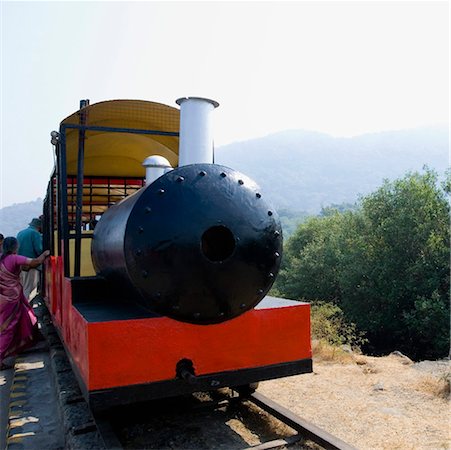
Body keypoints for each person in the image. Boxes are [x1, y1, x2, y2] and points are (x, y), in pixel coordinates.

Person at [0, 237, 50, 370]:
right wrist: (45, 254)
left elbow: (24, 268)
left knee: (27, 316)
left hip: (5, 297)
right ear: (15, 247)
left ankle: (31, 340)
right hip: (12, 298)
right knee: (8, 328)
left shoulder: (3, 259)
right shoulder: (13, 258)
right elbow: (35, 262)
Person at [17, 218, 43, 301]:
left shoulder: (20, 233)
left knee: (23, 288)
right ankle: (25, 311)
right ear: (39, 227)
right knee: (30, 291)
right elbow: (39, 250)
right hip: (32, 265)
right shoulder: (35, 234)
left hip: (20, 266)